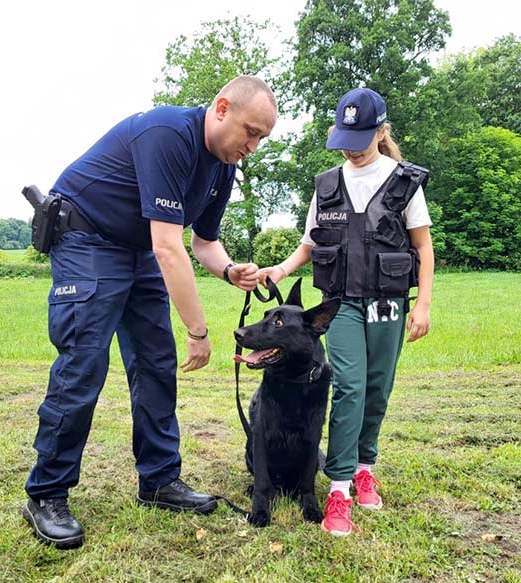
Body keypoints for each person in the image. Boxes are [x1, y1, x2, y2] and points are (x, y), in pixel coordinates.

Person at [22, 75, 278, 549]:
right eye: (251, 131)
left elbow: (203, 242)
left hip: (137, 249)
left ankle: (159, 480)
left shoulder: (222, 166)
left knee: (156, 363)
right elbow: (169, 246)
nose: (254, 145)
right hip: (87, 237)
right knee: (83, 364)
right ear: (221, 108)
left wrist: (228, 271)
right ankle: (46, 493)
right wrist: (198, 331)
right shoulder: (167, 134)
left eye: (263, 137)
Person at [259, 88, 433, 536]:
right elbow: (309, 244)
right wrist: (279, 270)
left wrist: (424, 304)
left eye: (358, 138)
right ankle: (337, 488)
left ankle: (363, 466)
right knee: (350, 387)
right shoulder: (327, 185)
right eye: (344, 139)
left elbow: (423, 247)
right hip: (341, 306)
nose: (349, 149)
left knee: (377, 389)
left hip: (388, 303)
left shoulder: (403, 182)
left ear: (380, 131)